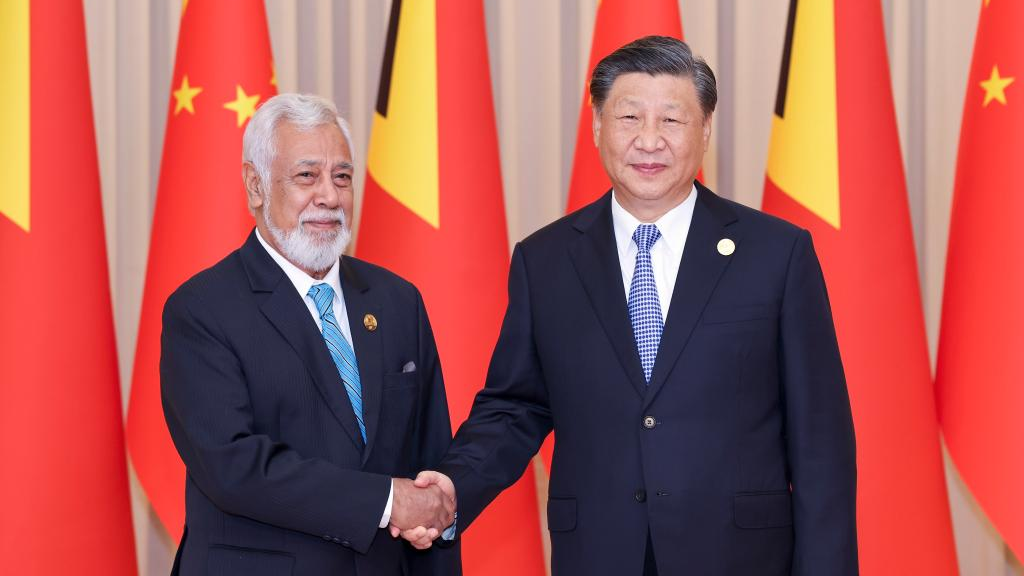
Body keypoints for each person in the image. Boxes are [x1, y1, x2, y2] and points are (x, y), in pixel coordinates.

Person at [413, 36, 858, 575]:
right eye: (629, 118)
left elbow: (820, 443)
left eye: (672, 120)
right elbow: (516, 407)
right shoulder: (546, 260)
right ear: (598, 126)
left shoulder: (776, 254)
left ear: (705, 130)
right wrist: (453, 486)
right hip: (600, 555)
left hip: (740, 557)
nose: (649, 141)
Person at [161, 93, 460, 576]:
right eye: (307, 176)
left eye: (342, 177)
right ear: (255, 186)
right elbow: (234, 467)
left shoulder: (397, 300)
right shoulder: (202, 310)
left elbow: (430, 461)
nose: (329, 196)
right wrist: (386, 501)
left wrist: (431, 510)